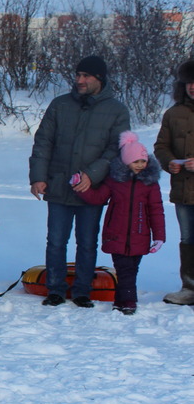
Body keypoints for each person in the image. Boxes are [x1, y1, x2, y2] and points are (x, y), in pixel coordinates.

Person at [28, 55, 130, 308]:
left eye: (86, 76)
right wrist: (39, 177)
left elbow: (115, 149)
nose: (80, 80)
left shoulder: (116, 110)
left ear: (100, 79)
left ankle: (83, 290)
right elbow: (43, 142)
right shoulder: (60, 105)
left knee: (87, 242)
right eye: (78, 75)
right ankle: (56, 289)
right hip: (59, 185)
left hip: (91, 190)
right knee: (56, 240)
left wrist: (92, 175)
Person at [77, 131, 165, 314]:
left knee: (131, 269)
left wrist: (159, 237)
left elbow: (156, 210)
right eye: (136, 161)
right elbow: (97, 197)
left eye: (143, 161)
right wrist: (79, 187)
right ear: (126, 161)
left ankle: (120, 300)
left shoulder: (150, 183)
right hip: (116, 234)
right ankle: (129, 302)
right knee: (124, 269)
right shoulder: (115, 181)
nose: (140, 165)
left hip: (140, 235)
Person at [155, 59, 194, 305]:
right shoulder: (173, 113)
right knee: (188, 239)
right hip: (183, 191)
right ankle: (189, 288)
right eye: (189, 82)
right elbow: (161, 146)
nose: (193, 87)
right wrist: (168, 162)